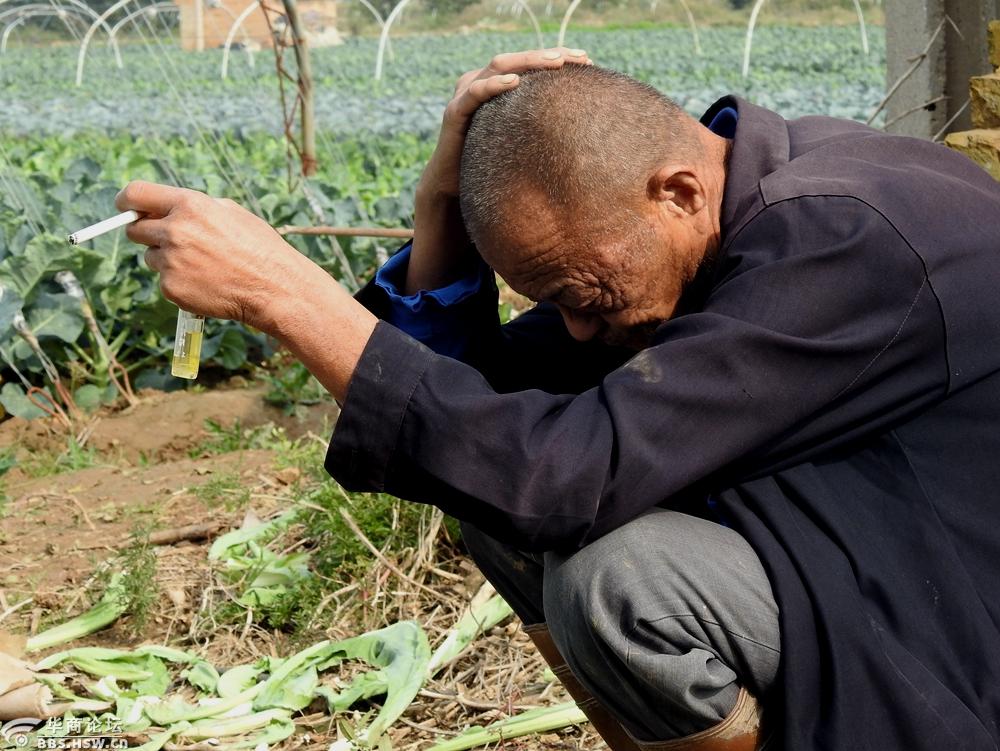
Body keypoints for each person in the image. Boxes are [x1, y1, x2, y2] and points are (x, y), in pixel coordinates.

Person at [117, 47, 1000, 751]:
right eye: (552, 301)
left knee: (616, 580)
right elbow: (480, 419)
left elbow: (557, 474)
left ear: (678, 192)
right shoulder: (703, 215)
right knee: (490, 501)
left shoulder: (843, 233)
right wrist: (439, 206)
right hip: (849, 552)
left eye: (582, 294)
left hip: (948, 621)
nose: (575, 329)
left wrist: (283, 294)